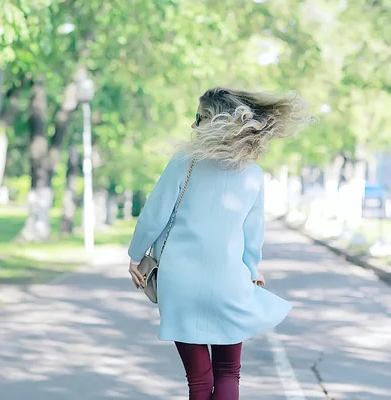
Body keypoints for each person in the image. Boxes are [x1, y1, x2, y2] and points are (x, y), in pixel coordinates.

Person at [127, 87, 312, 400]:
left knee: (199, 382)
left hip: (180, 282)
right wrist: (252, 268)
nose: (193, 125)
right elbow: (253, 232)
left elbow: (154, 213)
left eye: (198, 118)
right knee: (229, 373)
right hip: (229, 283)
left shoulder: (185, 162)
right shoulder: (252, 174)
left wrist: (135, 256)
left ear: (213, 121)